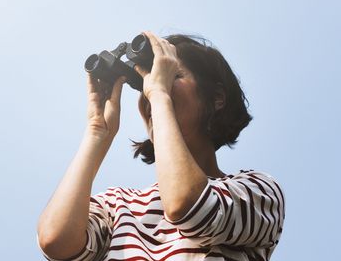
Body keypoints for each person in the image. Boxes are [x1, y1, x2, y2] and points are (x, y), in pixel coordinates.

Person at [36, 31, 285, 261]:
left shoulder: (257, 191)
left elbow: (189, 208)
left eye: (172, 76)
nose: (149, 91)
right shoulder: (118, 204)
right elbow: (56, 242)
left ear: (217, 98)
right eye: (144, 87)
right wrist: (97, 133)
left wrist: (159, 94)